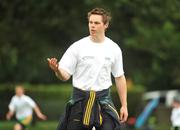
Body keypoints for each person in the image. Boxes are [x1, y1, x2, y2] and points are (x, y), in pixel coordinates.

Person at [47, 7, 128, 130]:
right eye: (90, 22)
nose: (92, 26)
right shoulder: (77, 47)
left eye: (96, 23)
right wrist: (57, 70)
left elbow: (119, 77)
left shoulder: (114, 48)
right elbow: (65, 76)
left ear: (106, 25)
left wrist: (124, 105)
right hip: (79, 102)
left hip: (103, 102)